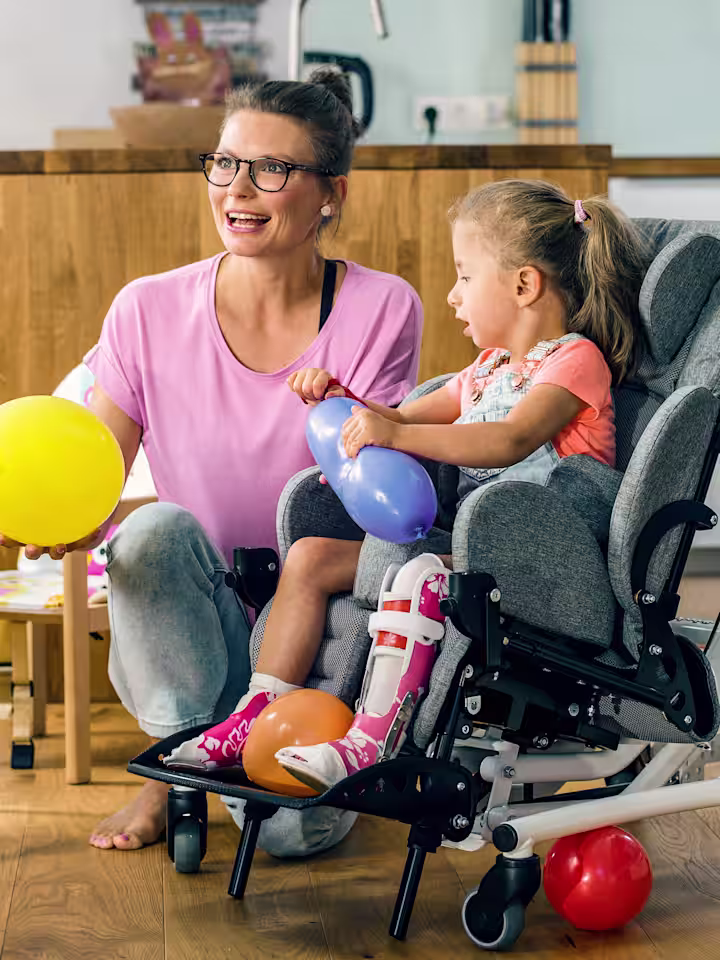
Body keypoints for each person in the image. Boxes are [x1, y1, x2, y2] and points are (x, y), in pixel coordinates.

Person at [0, 70, 424, 851]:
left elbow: (378, 489)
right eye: (225, 163)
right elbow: (98, 478)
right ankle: (175, 770)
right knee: (150, 531)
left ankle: (230, 758)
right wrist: (60, 522)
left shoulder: (381, 307)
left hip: (314, 623)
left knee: (292, 839)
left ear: (331, 194)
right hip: (198, 615)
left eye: (273, 169)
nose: (238, 189)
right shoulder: (146, 308)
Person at [164, 178, 649, 793]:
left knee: (418, 576)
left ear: (524, 285)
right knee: (310, 557)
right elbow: (398, 418)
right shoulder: (487, 370)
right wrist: (344, 402)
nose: (452, 295)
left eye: (465, 277)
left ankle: (372, 741)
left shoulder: (574, 361)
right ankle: (256, 715)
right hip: (475, 550)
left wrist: (394, 434)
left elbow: (509, 439)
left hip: (542, 563)